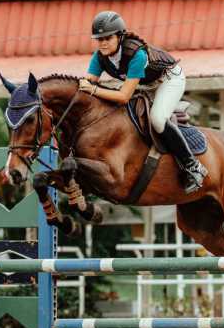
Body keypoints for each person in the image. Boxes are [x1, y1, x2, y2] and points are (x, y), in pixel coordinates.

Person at [78, 11, 207, 194]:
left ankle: (193, 166)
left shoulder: (136, 54)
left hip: (168, 80)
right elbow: (88, 84)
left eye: (108, 38)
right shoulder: (99, 57)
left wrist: (94, 90)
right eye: (99, 39)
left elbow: (123, 96)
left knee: (157, 119)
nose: (103, 43)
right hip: (142, 84)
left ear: (120, 36)